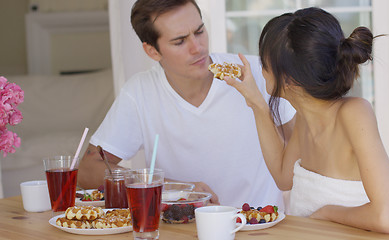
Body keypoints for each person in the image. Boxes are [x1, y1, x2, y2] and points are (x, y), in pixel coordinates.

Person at [77, 0, 295, 208]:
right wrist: (172, 188)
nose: (197, 47)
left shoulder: (255, 73)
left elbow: (307, 152)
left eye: (199, 31)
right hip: (184, 229)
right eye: (180, 41)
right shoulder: (140, 92)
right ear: (152, 51)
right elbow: (88, 170)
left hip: (261, 227)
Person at [223, 7, 389, 233]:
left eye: (265, 63)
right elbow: (283, 178)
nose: (261, 69)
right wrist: (257, 103)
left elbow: (387, 217)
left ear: (288, 79)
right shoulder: (305, 118)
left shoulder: (355, 113)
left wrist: (326, 213)